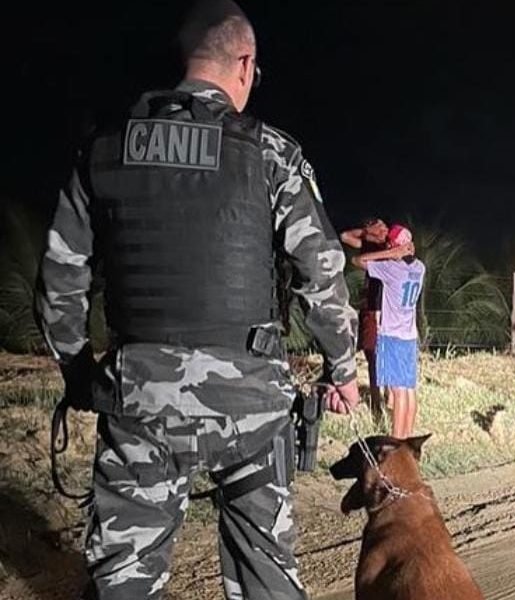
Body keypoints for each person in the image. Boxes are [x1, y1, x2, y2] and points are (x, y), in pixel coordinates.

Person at [33, 2, 360, 598]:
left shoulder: (105, 148)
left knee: (122, 585)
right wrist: (342, 369)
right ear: (245, 63)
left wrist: (80, 372)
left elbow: (60, 277)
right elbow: (322, 273)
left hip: (139, 400)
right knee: (267, 579)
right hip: (252, 405)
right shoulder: (271, 153)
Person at [353, 225, 425, 438]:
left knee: (398, 392)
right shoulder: (420, 268)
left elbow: (358, 261)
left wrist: (389, 254)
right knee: (409, 390)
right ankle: (408, 440)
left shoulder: (391, 269)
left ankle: (397, 442)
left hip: (392, 336)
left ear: (395, 246)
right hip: (409, 336)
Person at [340, 217, 390, 414]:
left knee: (386, 353)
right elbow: (345, 236)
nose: (384, 228)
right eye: (381, 225)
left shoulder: (391, 247)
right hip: (370, 304)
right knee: (372, 354)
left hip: (387, 305)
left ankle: (387, 398)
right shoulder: (367, 246)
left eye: (385, 226)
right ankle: (376, 400)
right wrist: (366, 232)